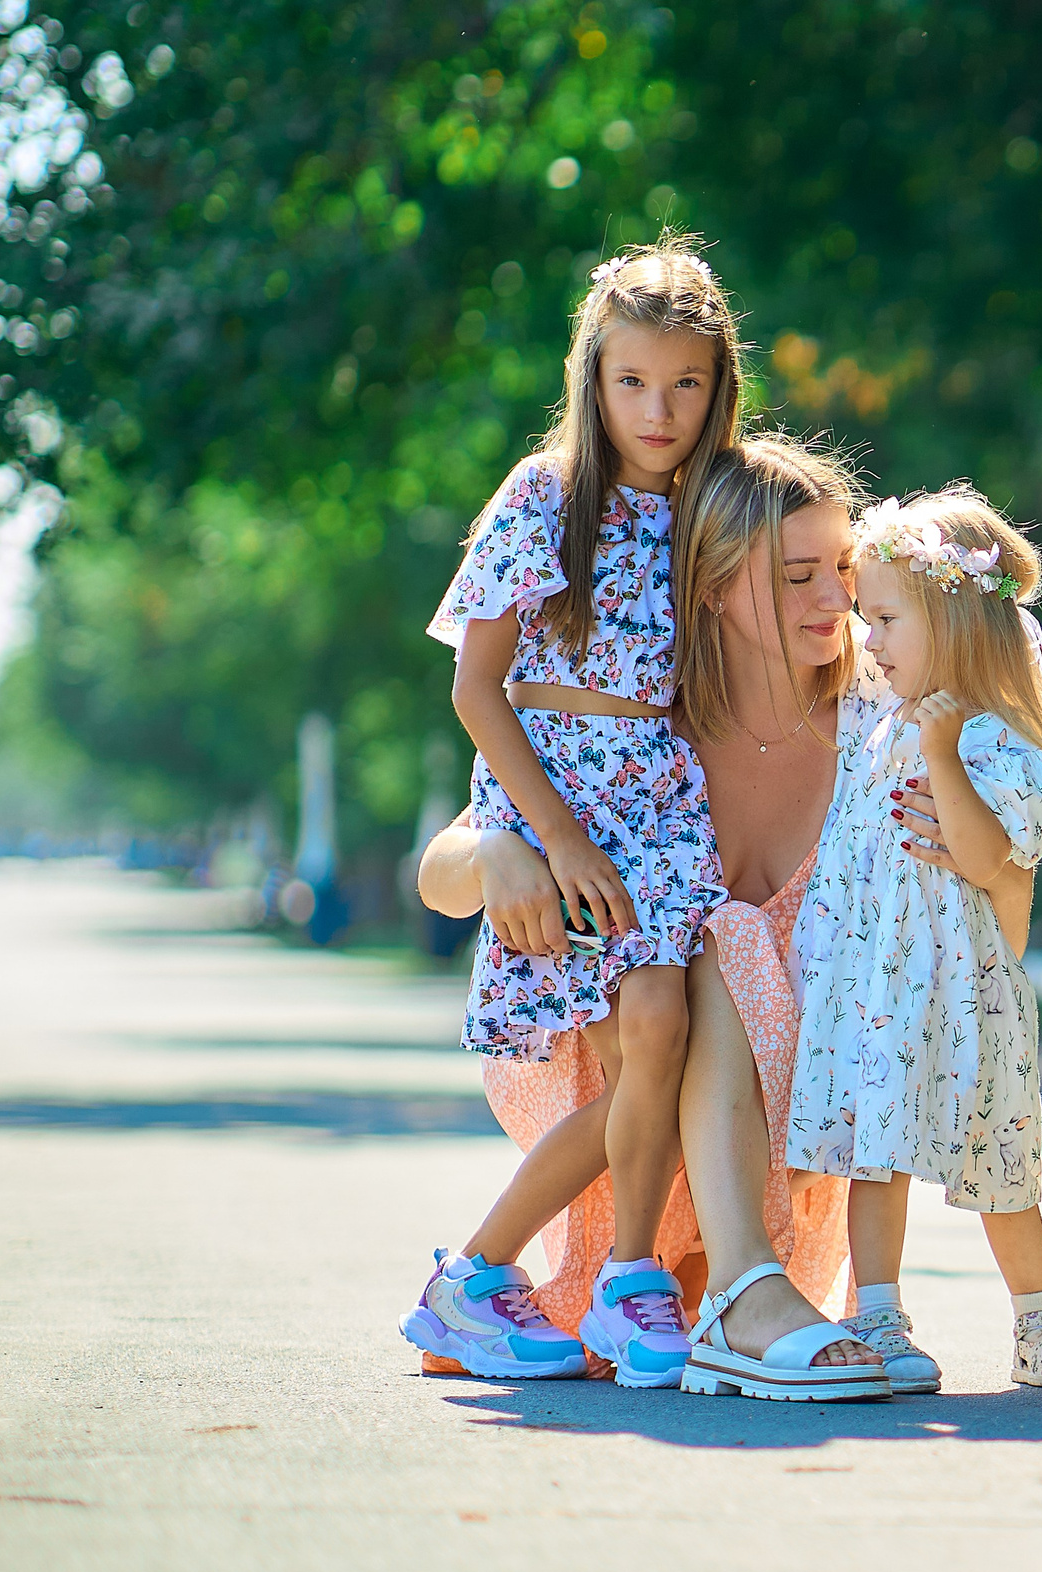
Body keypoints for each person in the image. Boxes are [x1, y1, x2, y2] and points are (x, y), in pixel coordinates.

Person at [419, 439, 1027, 1397]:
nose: (834, 603)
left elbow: (1003, 894)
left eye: (843, 573)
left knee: (727, 941)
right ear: (708, 588)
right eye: (797, 577)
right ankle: (727, 1288)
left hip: (799, 1127)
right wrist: (501, 851)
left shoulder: (884, 730)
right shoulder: (643, 740)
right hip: (631, 1092)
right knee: (717, 933)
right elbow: (440, 875)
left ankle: (742, 1284)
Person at [400, 237, 741, 1391]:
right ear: (593, 381)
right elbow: (473, 687)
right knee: (633, 1048)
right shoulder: (546, 495)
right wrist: (553, 838)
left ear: (718, 387)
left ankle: (626, 1282)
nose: (660, 407)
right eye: (633, 381)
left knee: (660, 1033)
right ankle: (483, 1275)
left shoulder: (712, 506)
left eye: (685, 383)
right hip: (554, 792)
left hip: (658, 796)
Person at [788, 484, 1042, 1391]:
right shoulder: (869, 723)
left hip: (966, 995)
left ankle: (1039, 1319)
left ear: (957, 622)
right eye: (866, 617)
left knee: (1002, 1163)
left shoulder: (1000, 741)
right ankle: (877, 1313)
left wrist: (943, 750)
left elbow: (984, 857)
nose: (869, 638)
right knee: (873, 1161)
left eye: (886, 618)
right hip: (878, 988)